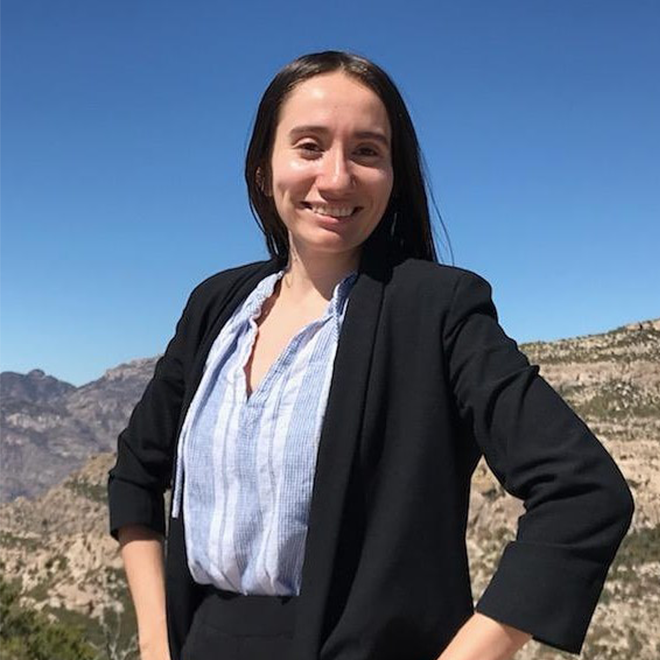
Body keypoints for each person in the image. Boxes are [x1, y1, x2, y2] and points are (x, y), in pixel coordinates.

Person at [108, 50, 634, 660]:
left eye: (366, 151)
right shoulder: (216, 306)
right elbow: (135, 475)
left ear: (393, 175)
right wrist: (154, 642)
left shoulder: (436, 309)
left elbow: (583, 493)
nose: (335, 178)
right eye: (309, 146)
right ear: (262, 168)